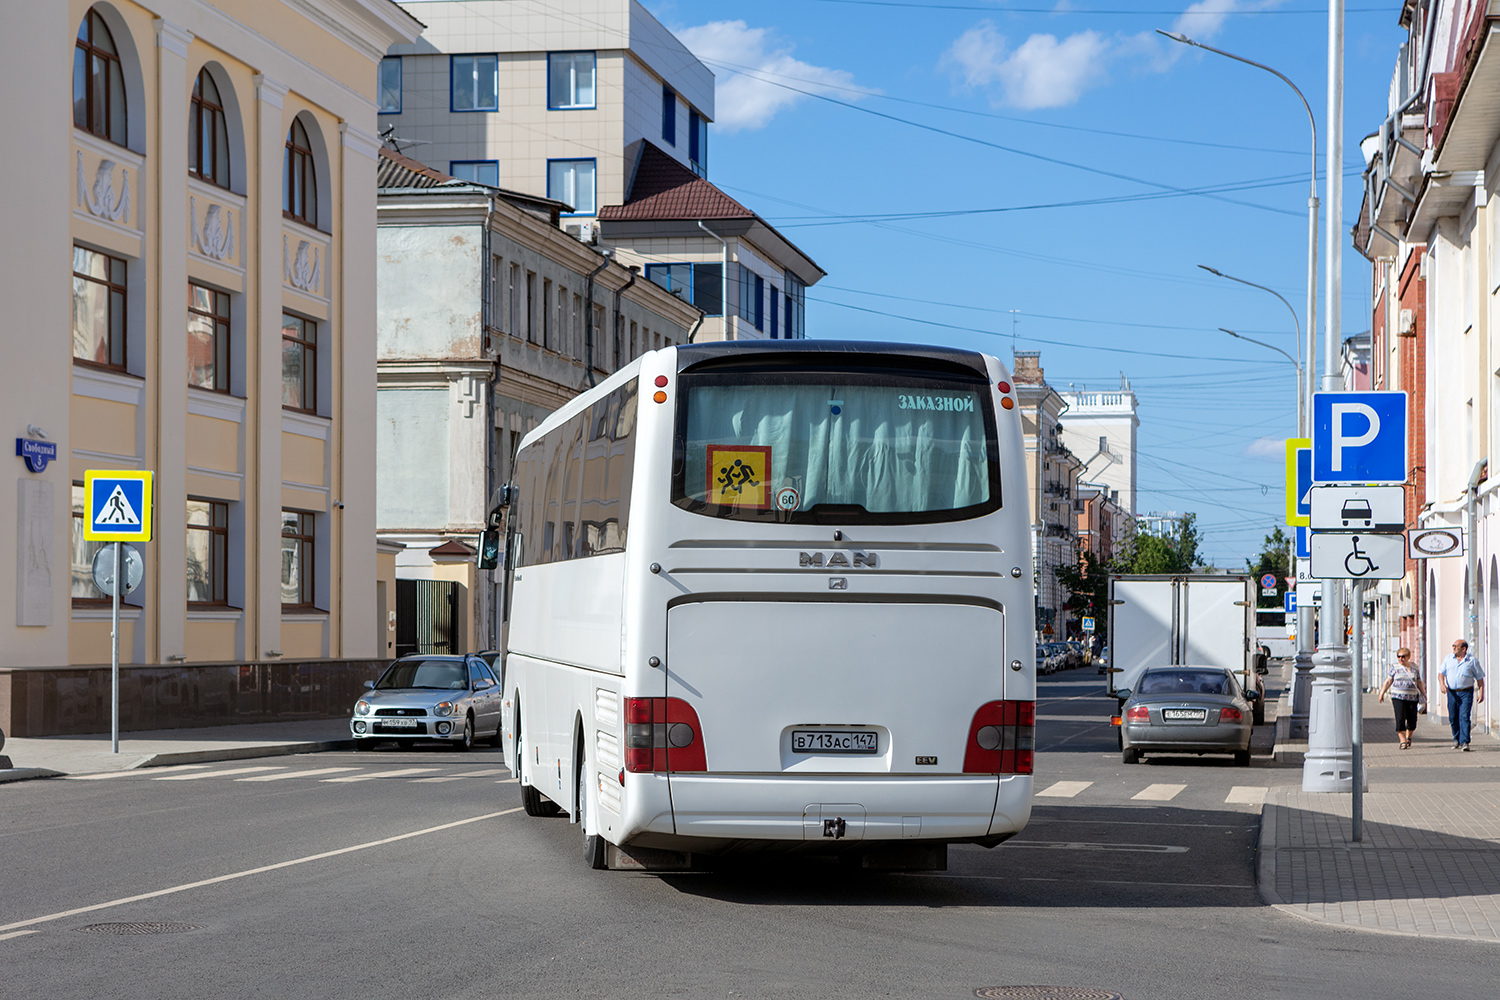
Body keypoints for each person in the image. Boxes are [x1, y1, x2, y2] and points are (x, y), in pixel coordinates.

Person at [1438, 639, 1486, 751]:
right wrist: (1442, 684)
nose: (1453, 648)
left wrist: (1481, 693)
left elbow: (1479, 678)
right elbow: (1441, 673)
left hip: (1466, 692)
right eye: (1453, 646)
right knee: (1453, 717)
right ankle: (1456, 739)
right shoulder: (1448, 659)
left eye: (1456, 646)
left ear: (1463, 649)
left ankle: (1465, 742)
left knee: (1464, 716)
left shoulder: (1472, 661)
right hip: (1452, 693)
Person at [1377, 647, 1426, 750]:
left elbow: (1418, 681)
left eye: (1403, 657)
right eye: (1399, 657)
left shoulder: (1414, 667)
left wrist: (1424, 693)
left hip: (1412, 697)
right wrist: (1382, 692)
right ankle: (1402, 741)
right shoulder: (1394, 667)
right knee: (1400, 718)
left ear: (1408, 657)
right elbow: (1388, 681)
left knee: (1412, 721)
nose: (1401, 659)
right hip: (1397, 697)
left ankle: (1409, 737)